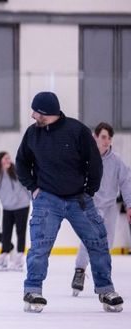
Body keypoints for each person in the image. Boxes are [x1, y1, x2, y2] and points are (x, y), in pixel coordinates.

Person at [16, 91, 123, 313]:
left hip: (79, 200)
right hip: (46, 199)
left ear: (49, 112)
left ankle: (106, 289)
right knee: (40, 246)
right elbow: (22, 163)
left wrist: (89, 191)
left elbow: (94, 162)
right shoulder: (32, 135)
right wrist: (33, 187)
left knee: (98, 242)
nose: (33, 115)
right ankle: (33, 290)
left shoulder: (77, 131)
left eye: (37, 112)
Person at [71, 122, 131, 296]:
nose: (107, 141)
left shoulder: (117, 161)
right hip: (90, 204)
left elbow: (126, 183)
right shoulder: (85, 158)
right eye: (103, 137)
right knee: (89, 239)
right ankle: (80, 271)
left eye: (109, 138)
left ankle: (103, 279)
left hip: (111, 206)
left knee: (107, 243)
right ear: (95, 137)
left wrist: (129, 205)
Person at [0, 152, 31, 271]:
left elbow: (27, 186)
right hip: (7, 208)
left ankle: (19, 259)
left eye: (9, 158)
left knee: (20, 232)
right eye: (5, 158)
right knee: (6, 233)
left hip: (22, 205)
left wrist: (34, 200)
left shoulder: (17, 171)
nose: (8, 160)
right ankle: (3, 257)